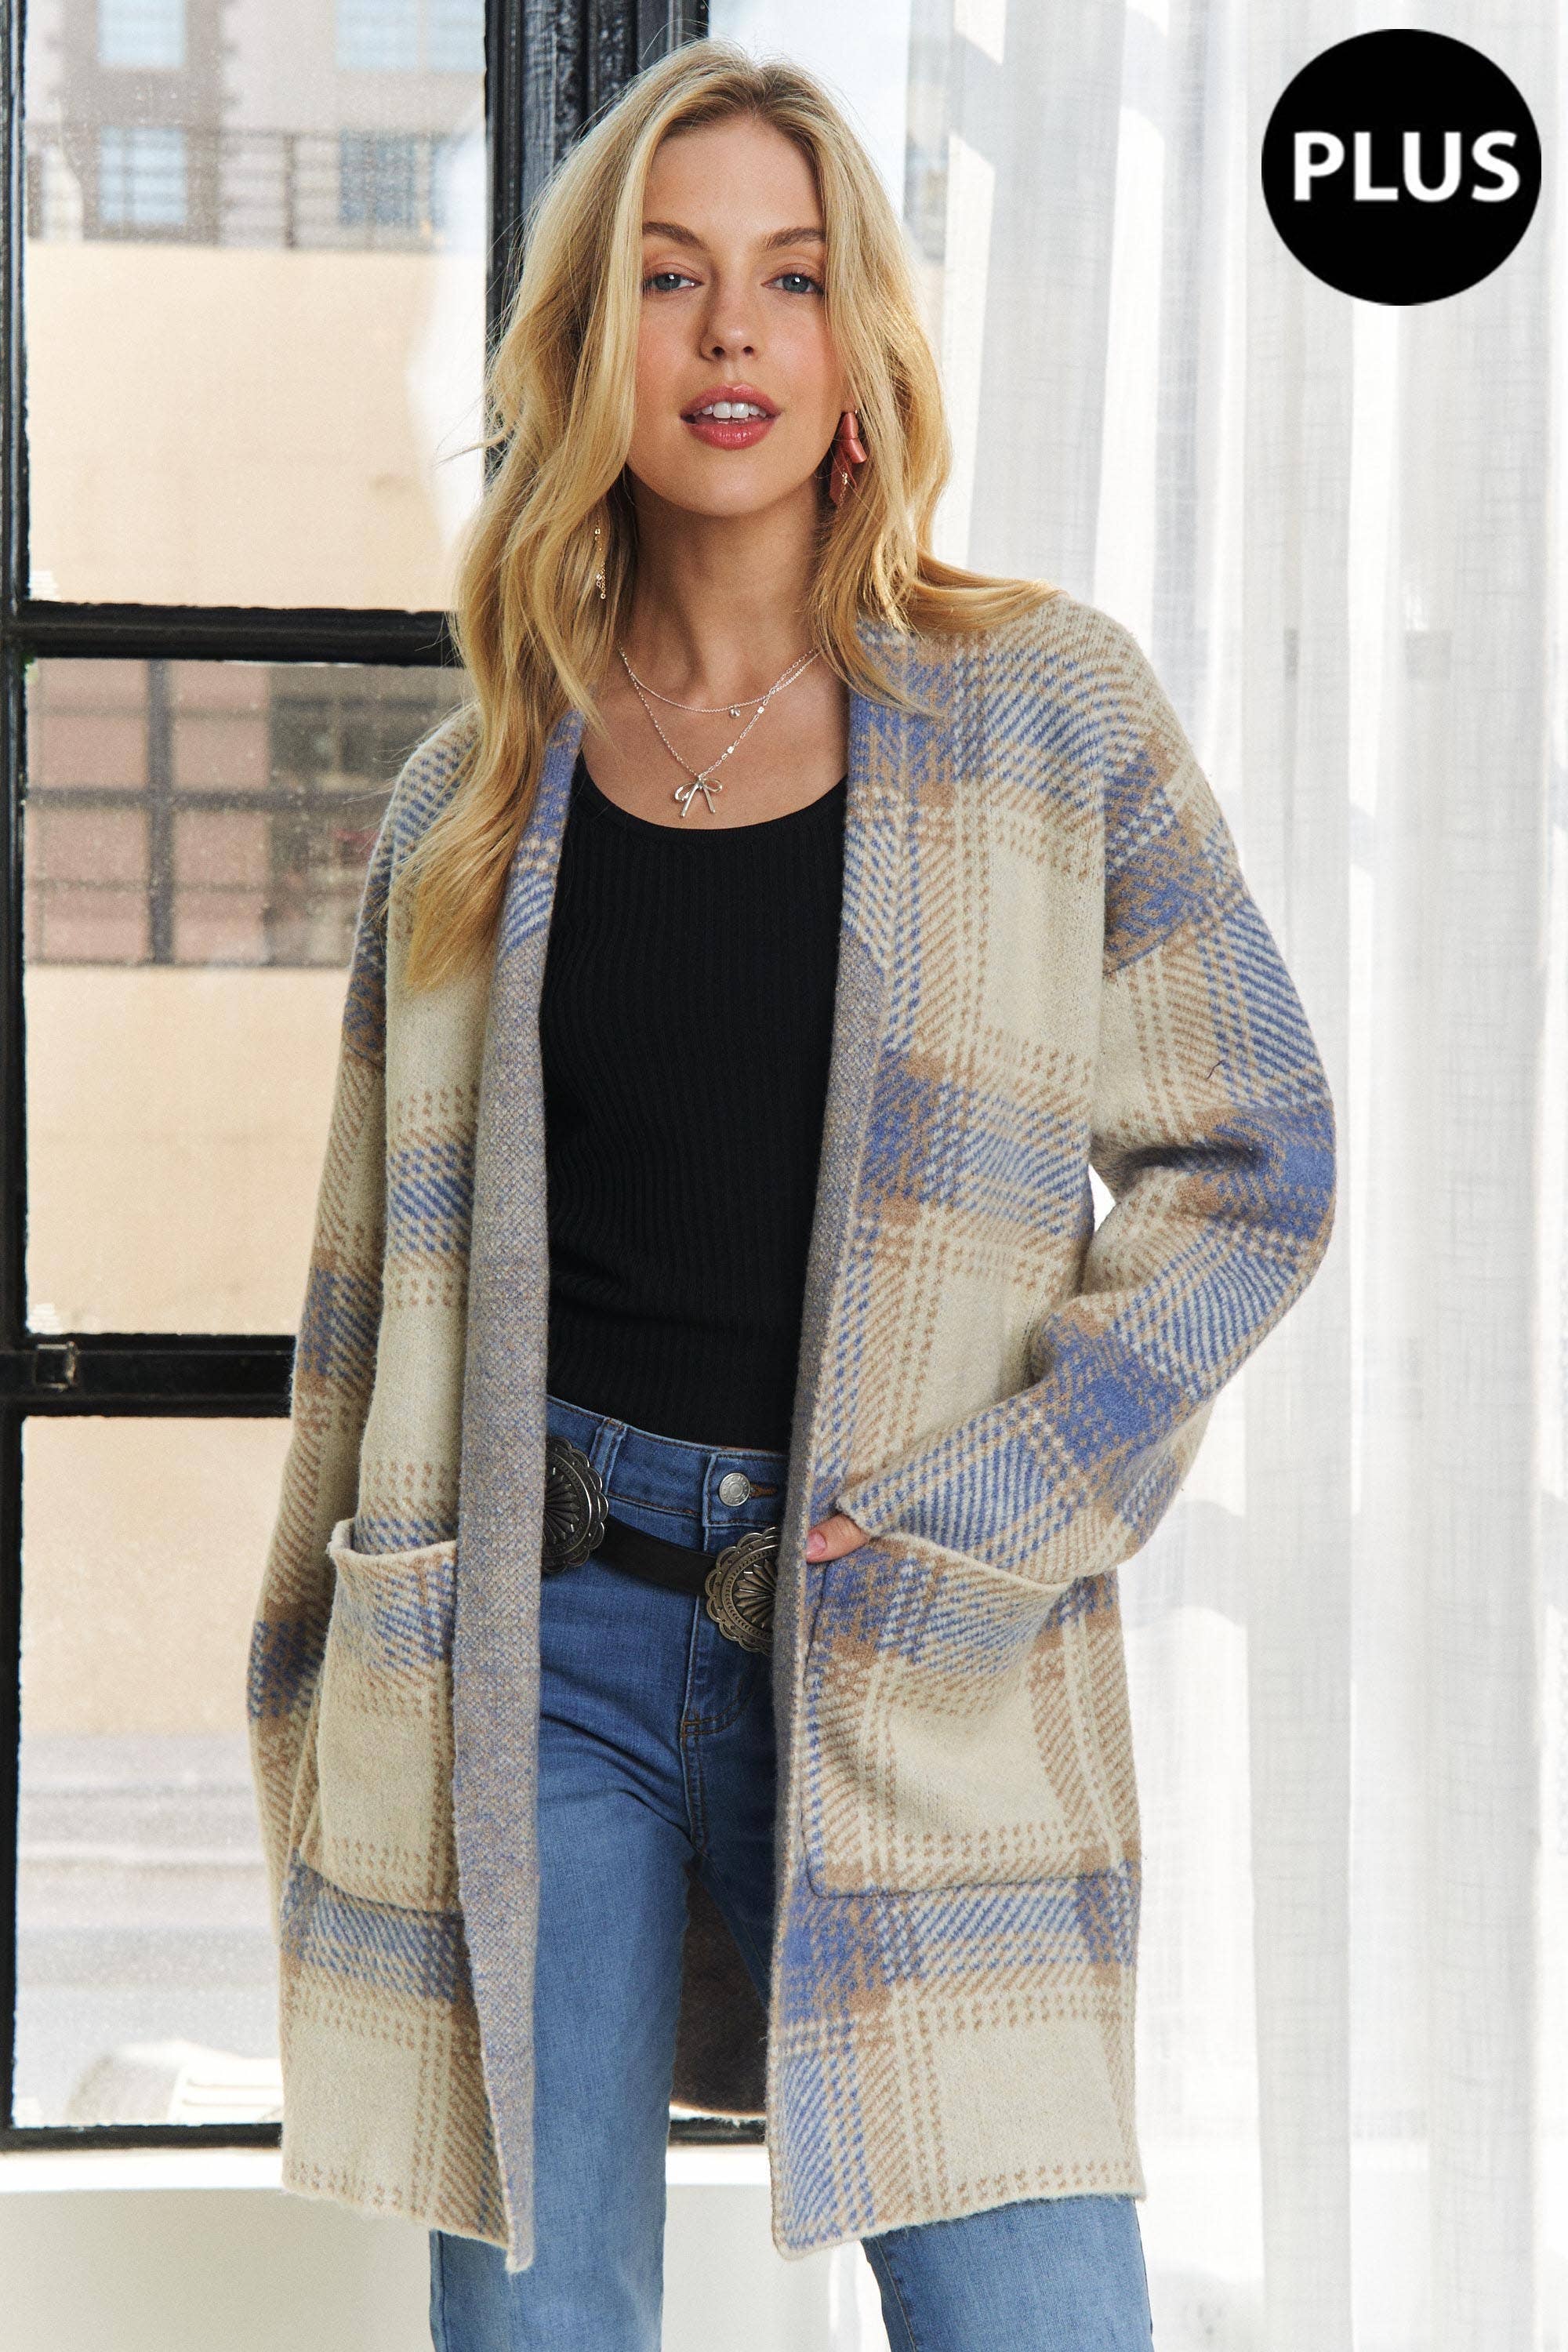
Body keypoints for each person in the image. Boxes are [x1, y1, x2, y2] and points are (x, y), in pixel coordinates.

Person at [247, 38, 1337, 2352]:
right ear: (585, 344)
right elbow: (361, 1315)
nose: (731, 332)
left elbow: (1255, 1161)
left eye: (793, 275)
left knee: (1038, 2315)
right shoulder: (474, 794)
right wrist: (336, 1665)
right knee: (539, 2324)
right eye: (668, 277)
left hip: (906, 1625)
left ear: (861, 343)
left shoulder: (1049, 715)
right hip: (535, 1643)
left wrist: (993, 1502)